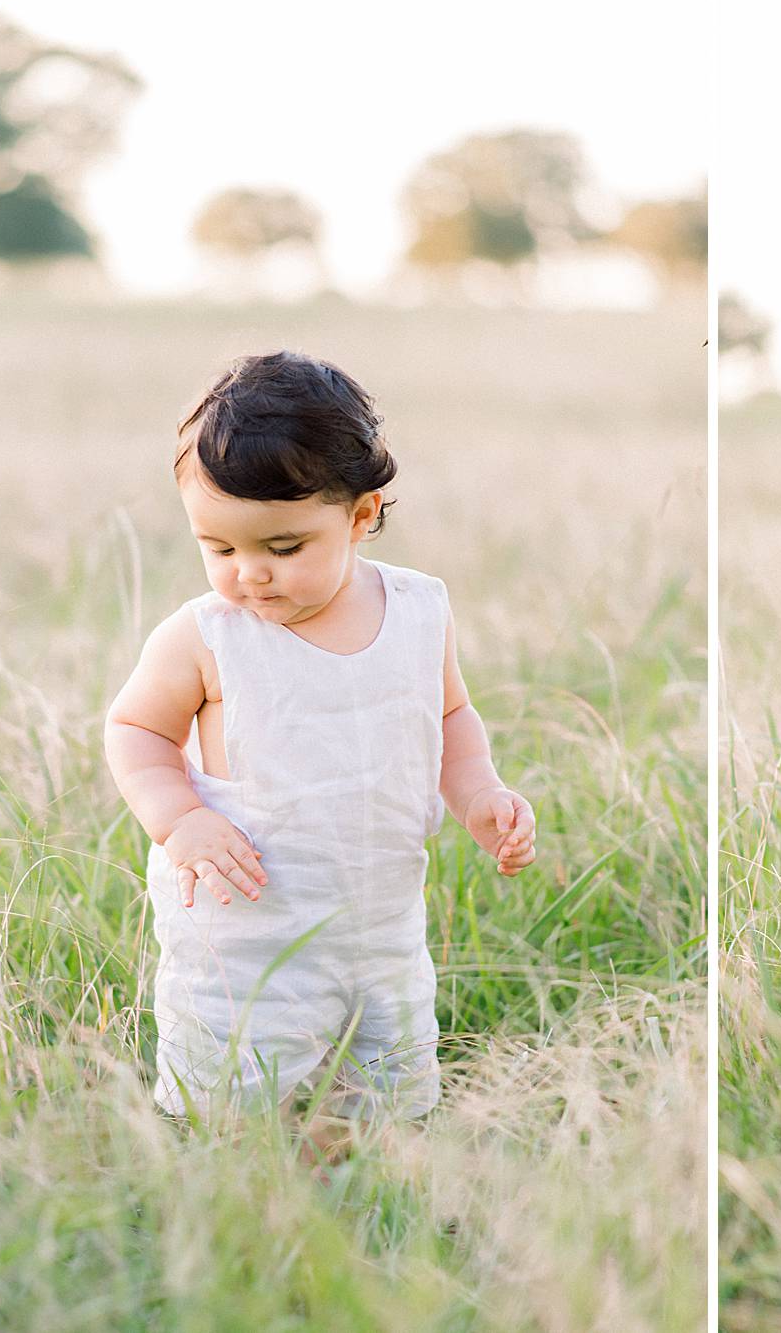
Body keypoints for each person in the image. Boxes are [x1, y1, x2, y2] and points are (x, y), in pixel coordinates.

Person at [104, 350, 537, 1120]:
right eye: (219, 548)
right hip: (246, 933)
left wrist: (480, 796)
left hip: (380, 922)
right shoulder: (207, 635)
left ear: (362, 515)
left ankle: (363, 1179)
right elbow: (135, 729)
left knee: (388, 1094)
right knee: (231, 1091)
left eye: (283, 547)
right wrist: (182, 819)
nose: (249, 575)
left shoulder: (416, 611)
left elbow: (447, 716)